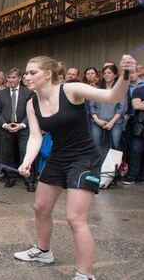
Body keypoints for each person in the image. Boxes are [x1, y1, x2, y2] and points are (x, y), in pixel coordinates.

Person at [14, 55, 136, 280]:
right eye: (26, 73)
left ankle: (85, 274)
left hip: (84, 158)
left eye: (32, 72)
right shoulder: (32, 102)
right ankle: (43, 251)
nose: (26, 76)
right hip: (58, 157)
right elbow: (34, 137)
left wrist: (126, 74)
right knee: (40, 208)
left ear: (48, 74)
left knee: (74, 217)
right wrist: (27, 161)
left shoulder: (71, 90)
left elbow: (112, 95)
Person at [0, 68, 35, 190]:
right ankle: (11, 177)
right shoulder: (1, 93)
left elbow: (32, 112)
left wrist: (22, 125)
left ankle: (29, 180)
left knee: (25, 154)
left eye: (13, 77)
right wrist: (5, 125)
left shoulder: (28, 92)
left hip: (23, 128)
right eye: (9, 77)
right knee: (8, 155)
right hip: (6, 129)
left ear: (19, 79)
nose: (11, 80)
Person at [88, 65, 126, 150]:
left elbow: (122, 108)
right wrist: (97, 120)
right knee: (96, 145)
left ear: (115, 75)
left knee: (115, 146)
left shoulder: (120, 90)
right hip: (97, 121)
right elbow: (91, 106)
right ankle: (98, 163)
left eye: (109, 73)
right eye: (104, 73)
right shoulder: (96, 89)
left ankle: (113, 164)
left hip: (115, 122)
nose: (106, 75)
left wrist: (111, 122)